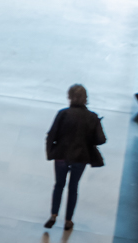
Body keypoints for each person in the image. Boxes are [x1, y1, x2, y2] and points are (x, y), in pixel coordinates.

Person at [45, 84, 106, 230]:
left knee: (59, 185)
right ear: (86, 99)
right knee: (73, 187)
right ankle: (68, 220)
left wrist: (50, 153)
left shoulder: (63, 114)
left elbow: (51, 135)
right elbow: (101, 140)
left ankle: (53, 215)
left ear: (69, 97)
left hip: (61, 155)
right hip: (81, 157)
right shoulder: (92, 117)